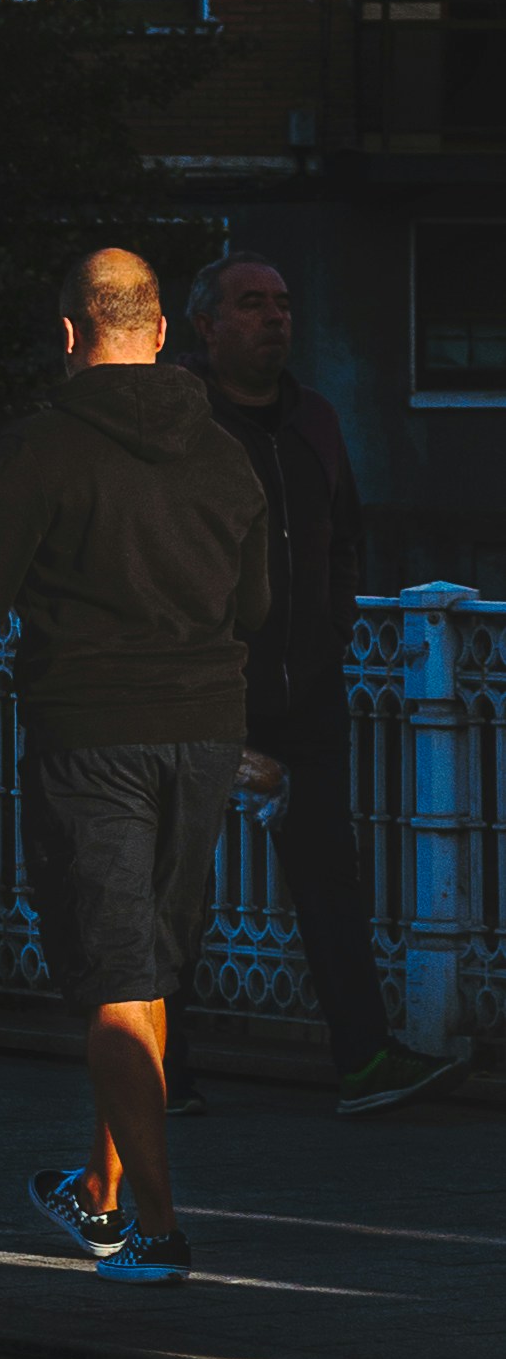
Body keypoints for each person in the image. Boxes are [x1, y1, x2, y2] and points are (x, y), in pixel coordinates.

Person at [0, 244, 272, 1289]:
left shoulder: (42, 448)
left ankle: (153, 1232)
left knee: (113, 975)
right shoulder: (225, 454)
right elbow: (253, 605)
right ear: (158, 332)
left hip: (90, 731)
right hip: (204, 729)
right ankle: (101, 1192)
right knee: (144, 969)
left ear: (70, 334)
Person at [186, 258, 463, 1118]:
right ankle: (156, 1075)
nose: (274, 318)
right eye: (251, 304)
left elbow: (343, 536)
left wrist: (332, 630)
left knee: (329, 880)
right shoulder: (180, 420)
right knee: (175, 882)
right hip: (200, 690)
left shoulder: (316, 418)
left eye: (282, 304)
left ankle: (364, 1061)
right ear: (206, 326)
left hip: (304, 692)